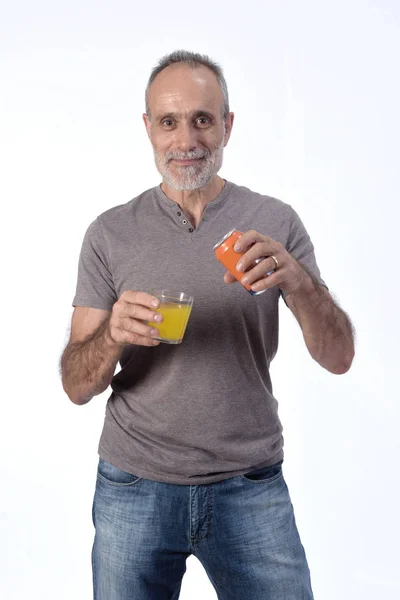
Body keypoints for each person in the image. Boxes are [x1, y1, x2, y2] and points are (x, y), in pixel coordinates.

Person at [60, 50, 355, 600]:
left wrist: (300, 284)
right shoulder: (109, 233)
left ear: (228, 126)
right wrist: (112, 335)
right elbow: (77, 384)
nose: (186, 139)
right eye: (168, 122)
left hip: (251, 484)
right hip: (134, 485)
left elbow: (338, 358)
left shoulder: (275, 221)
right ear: (148, 129)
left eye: (203, 119)